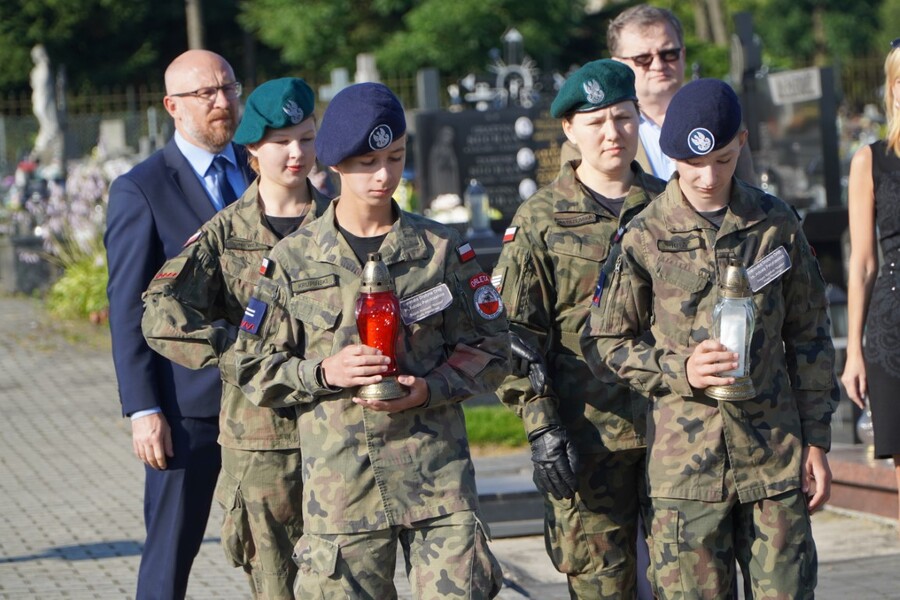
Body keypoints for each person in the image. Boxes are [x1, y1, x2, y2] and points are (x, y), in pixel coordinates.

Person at [233, 82, 508, 599]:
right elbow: (249, 366)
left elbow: (493, 346)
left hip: (436, 480)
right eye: (367, 163)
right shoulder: (293, 260)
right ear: (336, 163)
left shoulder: (439, 249)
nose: (384, 175)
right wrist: (322, 372)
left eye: (395, 158)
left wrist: (432, 387)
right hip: (342, 490)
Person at [581, 78, 839, 598]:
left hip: (774, 458)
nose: (707, 177)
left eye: (722, 160)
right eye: (692, 163)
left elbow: (809, 334)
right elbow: (604, 341)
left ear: (741, 142)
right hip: (687, 472)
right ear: (671, 155)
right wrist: (680, 368)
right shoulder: (643, 234)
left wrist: (817, 440)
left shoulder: (775, 224)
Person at [141, 78, 330, 598]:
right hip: (261, 443)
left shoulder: (342, 224)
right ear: (252, 151)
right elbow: (159, 311)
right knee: (275, 586)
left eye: (307, 138)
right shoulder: (225, 235)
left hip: (338, 432)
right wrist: (234, 353)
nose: (297, 153)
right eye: (281, 141)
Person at [491, 59, 664, 599]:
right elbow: (514, 337)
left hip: (675, 434)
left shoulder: (671, 206)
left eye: (623, 117)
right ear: (570, 129)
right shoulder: (541, 219)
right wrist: (541, 427)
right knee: (602, 587)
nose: (613, 133)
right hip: (588, 440)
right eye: (596, 122)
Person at [104, 49, 251, 599]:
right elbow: (128, 308)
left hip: (270, 393)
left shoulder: (262, 170)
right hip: (187, 407)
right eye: (205, 93)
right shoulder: (142, 188)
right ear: (173, 106)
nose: (222, 102)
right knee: (170, 554)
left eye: (229, 88)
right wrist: (144, 410)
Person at [561, 4, 757, 184]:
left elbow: (748, 195)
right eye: (643, 58)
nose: (658, 65)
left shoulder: (721, 115)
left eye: (668, 54)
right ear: (618, 64)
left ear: (683, 55)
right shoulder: (587, 140)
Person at [841, 41, 900, 525]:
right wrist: (854, 351)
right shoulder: (871, 160)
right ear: (892, 89)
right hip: (893, 331)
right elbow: (862, 263)